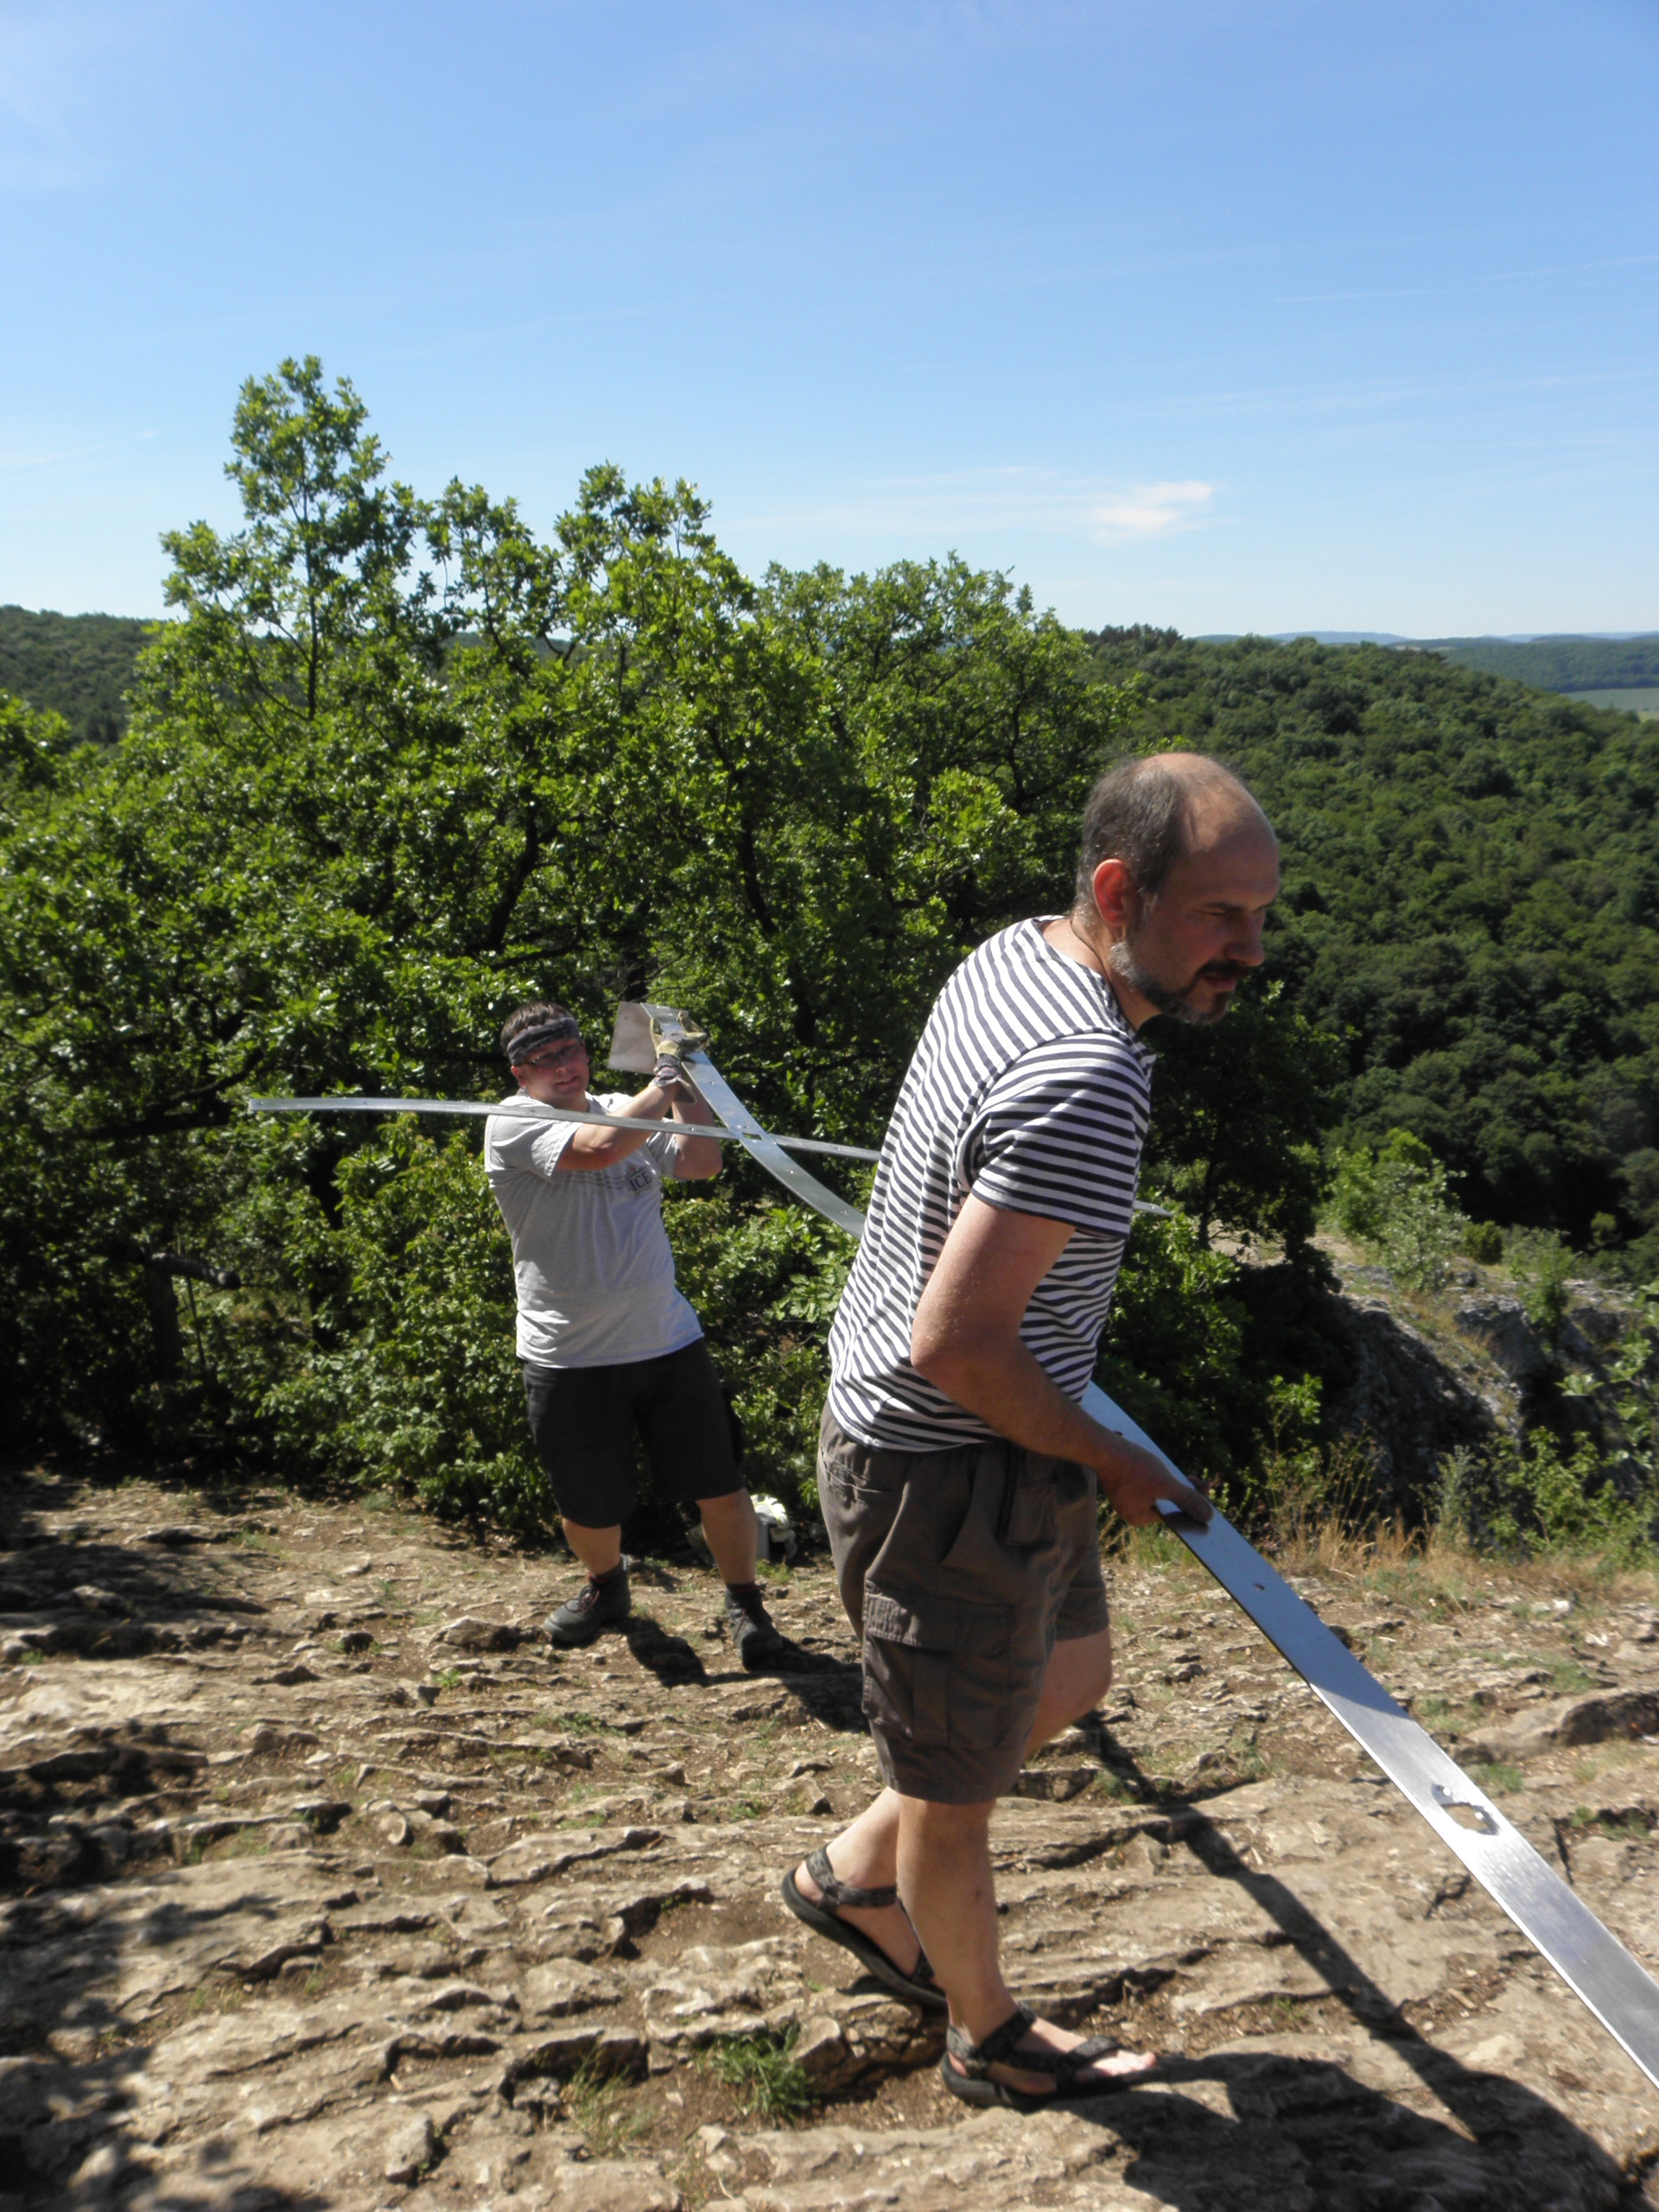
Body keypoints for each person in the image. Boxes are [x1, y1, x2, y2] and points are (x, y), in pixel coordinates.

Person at [783, 751, 1281, 2108]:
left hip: (997, 1438)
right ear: (1122, 890)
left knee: (1063, 1681)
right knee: (956, 1786)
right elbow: (957, 1345)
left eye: (1262, 916)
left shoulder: (1018, 952)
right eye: (1219, 917)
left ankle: (847, 1880)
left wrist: (1073, 1442)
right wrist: (1114, 1454)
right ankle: (985, 2036)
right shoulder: (1090, 1076)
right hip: (948, 1459)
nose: (1250, 951)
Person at [485, 1001, 785, 1666]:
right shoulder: (514, 1121)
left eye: (570, 1052)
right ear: (519, 1072)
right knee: (588, 1502)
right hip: (568, 1352)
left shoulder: (630, 1104)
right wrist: (667, 1081)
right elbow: (598, 1148)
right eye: (543, 1060)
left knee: (720, 1482)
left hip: (665, 1339)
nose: (563, 1067)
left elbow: (701, 1165)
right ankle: (606, 1586)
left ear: (586, 1053)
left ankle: (745, 1603)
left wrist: (693, 1094)